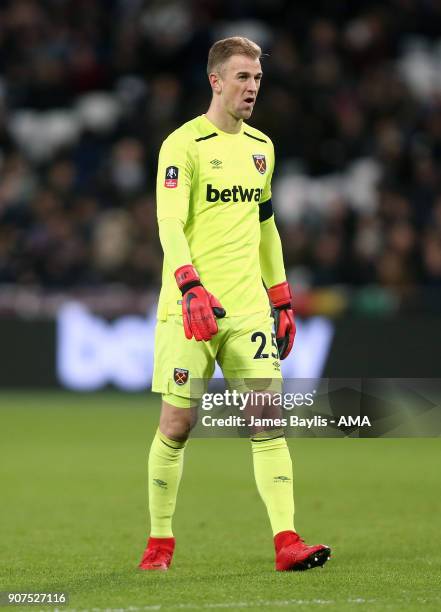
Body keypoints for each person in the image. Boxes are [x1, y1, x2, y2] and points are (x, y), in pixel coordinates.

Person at [138, 36, 331, 572]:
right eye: (242, 78)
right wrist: (188, 285)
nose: (252, 88)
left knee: (267, 419)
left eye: (258, 79)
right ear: (215, 81)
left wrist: (282, 296)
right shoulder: (183, 145)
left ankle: (287, 542)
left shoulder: (262, 148)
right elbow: (169, 222)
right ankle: (159, 544)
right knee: (178, 425)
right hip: (190, 307)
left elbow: (266, 226)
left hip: (247, 310)